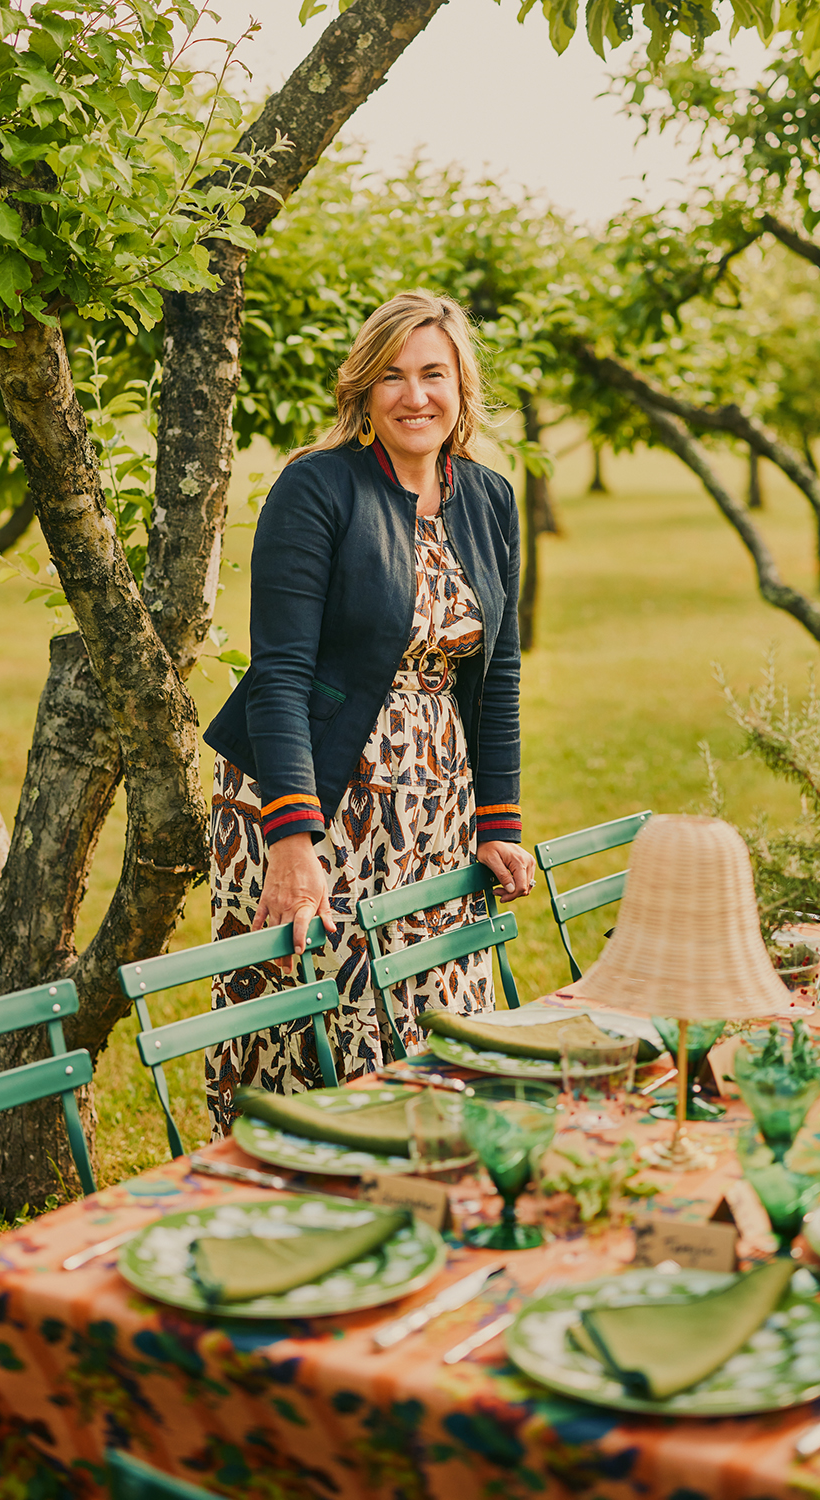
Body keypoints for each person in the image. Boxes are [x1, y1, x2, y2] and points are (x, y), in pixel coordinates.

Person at [200, 289, 535, 1133]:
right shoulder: (318, 489)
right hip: (310, 797)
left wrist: (497, 821)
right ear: (362, 390)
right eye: (391, 375)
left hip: (432, 806)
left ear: (463, 388)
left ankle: (422, 1188)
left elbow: (499, 677)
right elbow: (277, 674)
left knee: (434, 1014)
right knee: (317, 1028)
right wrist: (291, 842)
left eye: (433, 373)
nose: (413, 395)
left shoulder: (490, 499)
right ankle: (289, 1201)